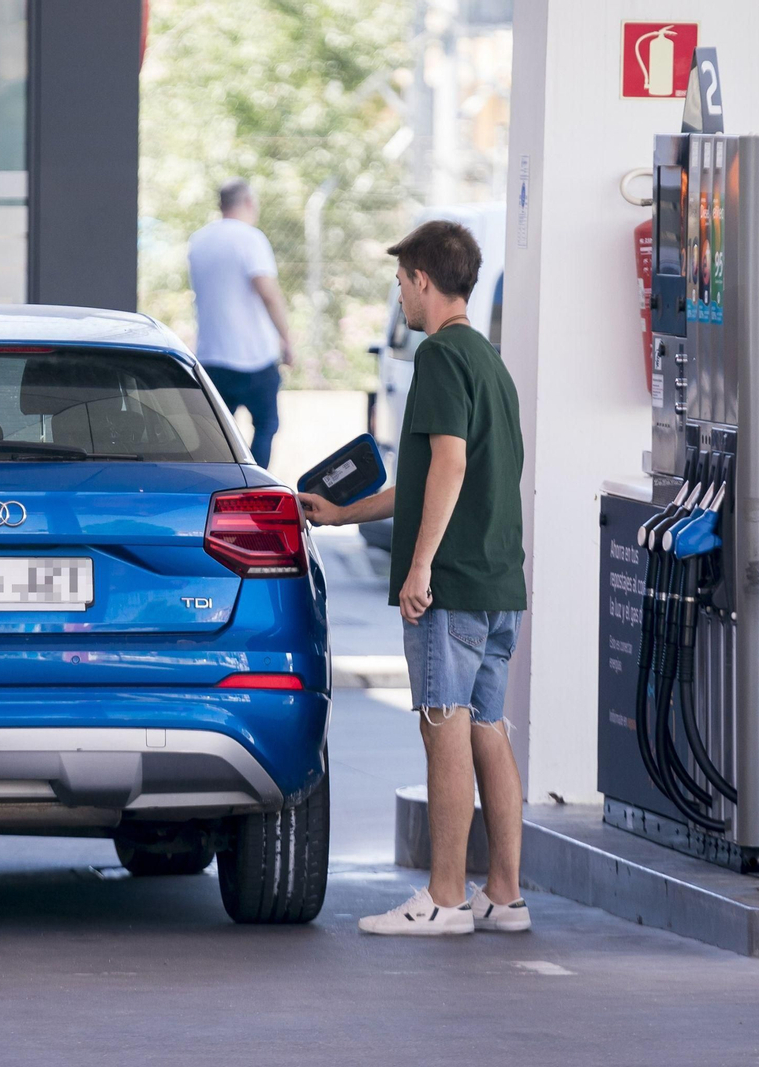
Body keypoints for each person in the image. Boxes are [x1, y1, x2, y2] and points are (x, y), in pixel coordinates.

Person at [299, 220, 529, 936]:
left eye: (401, 281)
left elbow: (451, 464)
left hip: (451, 585)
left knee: (443, 728)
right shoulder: (489, 361)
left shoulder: (437, 358)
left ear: (424, 280)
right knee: (487, 727)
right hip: (497, 584)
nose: (398, 293)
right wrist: (341, 515)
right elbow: (424, 478)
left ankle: (445, 898)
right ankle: (503, 894)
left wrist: (420, 565)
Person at [188, 179, 293, 467]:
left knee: (217, 437)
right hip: (253, 358)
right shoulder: (250, 238)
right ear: (249, 202)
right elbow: (268, 293)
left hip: (211, 358)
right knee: (266, 425)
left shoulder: (198, 241)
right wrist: (287, 339)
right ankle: (255, 489)